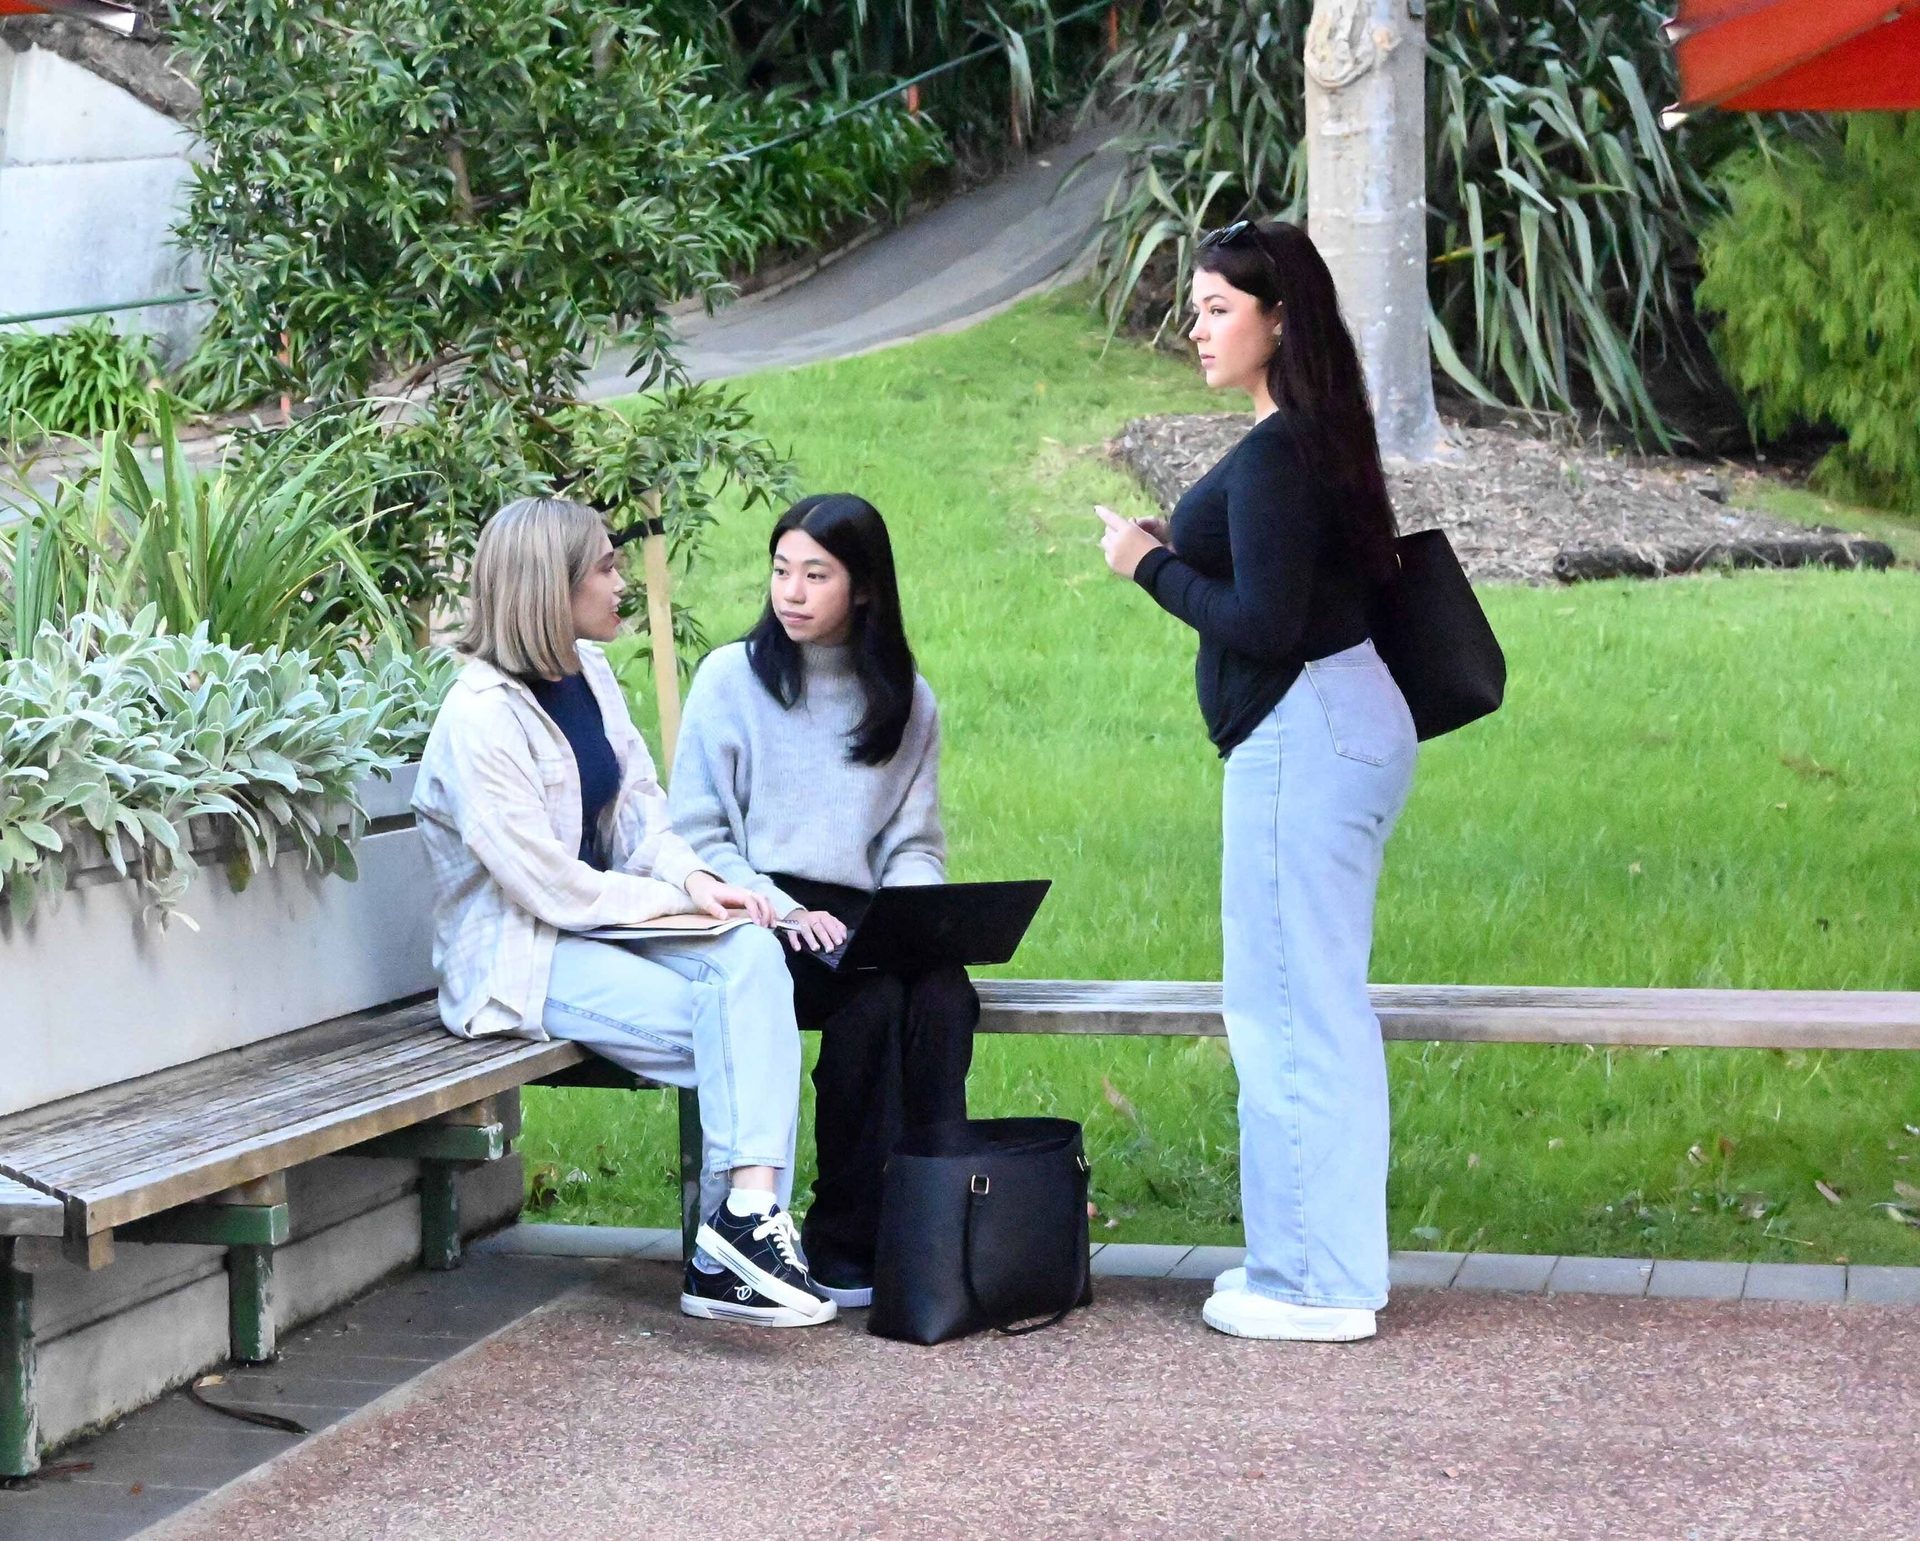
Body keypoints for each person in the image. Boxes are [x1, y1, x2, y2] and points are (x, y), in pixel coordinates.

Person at [1094, 219, 1417, 1342]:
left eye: (1219, 306)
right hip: (1340, 721)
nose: (1197, 324)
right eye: (1196, 305)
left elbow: (1266, 624)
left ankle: (1316, 1285)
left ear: (1280, 318)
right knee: (1315, 1005)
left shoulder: (1284, 449)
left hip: (1305, 731)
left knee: (1288, 1008)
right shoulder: (1314, 437)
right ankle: (1307, 1260)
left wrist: (1150, 565)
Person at [412, 495, 836, 1328]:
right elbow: (549, 890)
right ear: (550, 588)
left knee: (751, 956)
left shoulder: (589, 674)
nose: (621, 584)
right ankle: (732, 1249)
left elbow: (640, 811)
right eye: (606, 568)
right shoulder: (481, 719)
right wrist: (672, 903)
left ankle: (743, 1223)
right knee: (740, 1024)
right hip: (521, 954)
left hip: (605, 925)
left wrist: (696, 881)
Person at [669, 493, 977, 1309]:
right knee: (869, 1004)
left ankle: (931, 1229)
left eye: (816, 574)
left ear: (864, 588)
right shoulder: (730, 681)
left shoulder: (907, 698)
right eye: (781, 571)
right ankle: (844, 1244)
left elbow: (913, 842)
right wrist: (779, 906)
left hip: (863, 912)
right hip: (754, 912)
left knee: (944, 994)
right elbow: (696, 834)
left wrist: (916, 920)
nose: (791, 592)